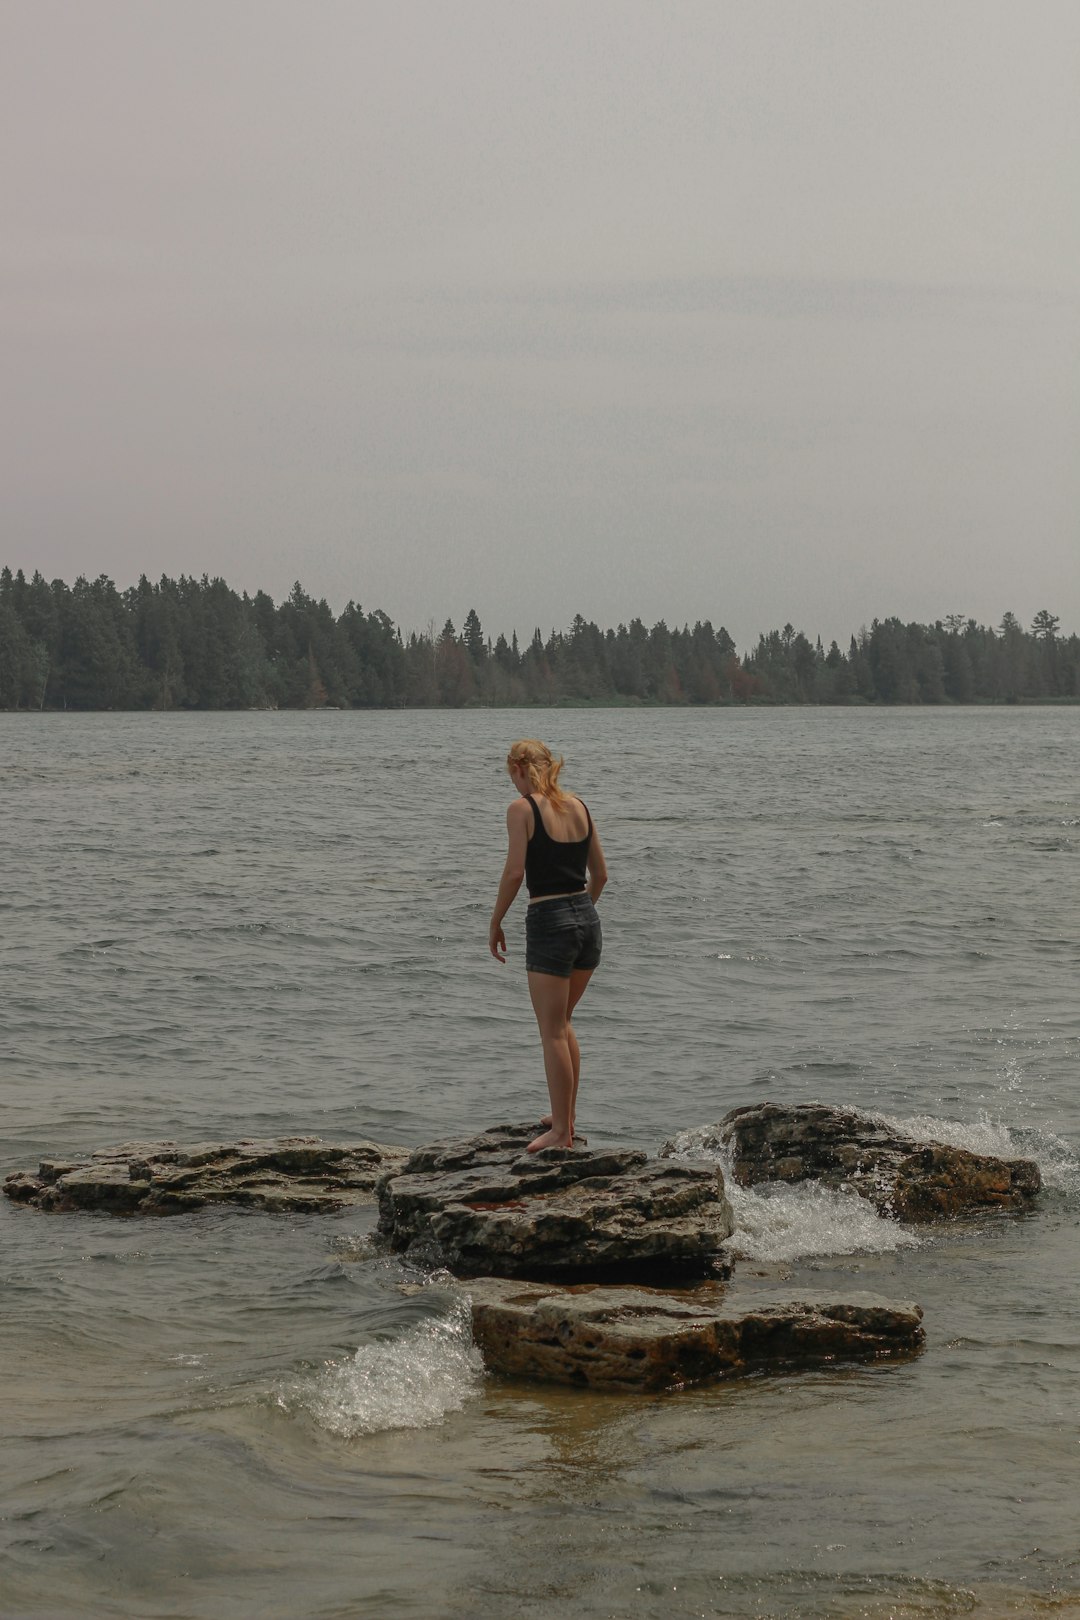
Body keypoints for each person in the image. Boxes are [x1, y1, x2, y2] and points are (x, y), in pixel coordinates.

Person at [488, 738, 607, 1152]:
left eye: (512, 777)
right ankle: (566, 1117)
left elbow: (515, 871)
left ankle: (561, 1133)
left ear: (520, 769)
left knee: (552, 1032)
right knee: (564, 1023)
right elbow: (601, 876)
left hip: (549, 920)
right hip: (587, 921)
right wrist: (578, 914)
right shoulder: (579, 807)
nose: (514, 786)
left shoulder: (522, 810)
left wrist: (496, 920)